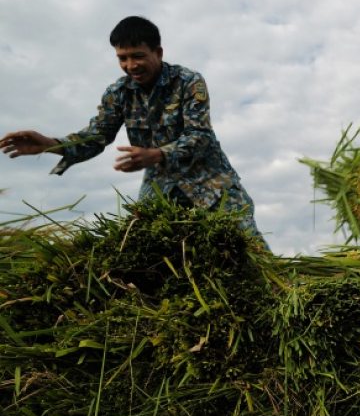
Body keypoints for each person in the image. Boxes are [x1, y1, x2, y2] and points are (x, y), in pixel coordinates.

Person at [0, 16, 267, 247]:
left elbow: (201, 136)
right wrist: (51, 144)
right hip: (160, 189)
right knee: (141, 253)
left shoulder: (188, 81)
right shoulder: (117, 93)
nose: (130, 65)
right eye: (123, 58)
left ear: (158, 53)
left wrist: (157, 154)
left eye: (138, 56)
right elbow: (97, 136)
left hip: (211, 182)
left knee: (246, 249)